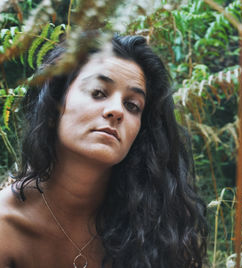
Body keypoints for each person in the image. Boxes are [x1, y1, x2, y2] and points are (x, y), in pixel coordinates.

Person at [0, 33, 207, 268]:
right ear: (55, 104)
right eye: (98, 92)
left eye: (132, 105)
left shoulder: (153, 225)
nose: (116, 110)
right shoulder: (6, 224)